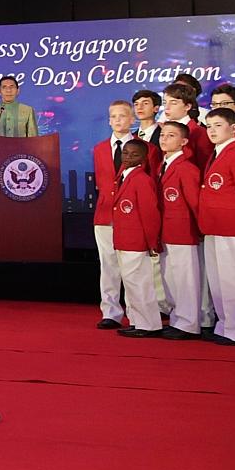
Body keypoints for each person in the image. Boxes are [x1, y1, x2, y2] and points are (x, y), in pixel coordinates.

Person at [91, 102, 141, 330]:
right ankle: (110, 312)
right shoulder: (100, 148)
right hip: (105, 214)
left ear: (132, 119)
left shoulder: (142, 147)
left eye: (123, 116)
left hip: (131, 214)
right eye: (114, 116)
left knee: (132, 266)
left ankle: (136, 312)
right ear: (109, 120)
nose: (118, 120)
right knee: (108, 265)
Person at [110, 139, 163, 338]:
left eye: (134, 155)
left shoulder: (142, 179)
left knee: (140, 284)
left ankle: (149, 324)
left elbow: (150, 213)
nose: (129, 158)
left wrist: (151, 242)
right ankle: (137, 320)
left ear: (144, 158)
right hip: (124, 239)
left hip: (136, 241)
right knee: (131, 283)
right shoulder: (123, 175)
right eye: (126, 153)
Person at [156, 122, 203, 340]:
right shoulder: (162, 165)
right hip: (166, 230)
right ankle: (177, 319)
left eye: (171, 135)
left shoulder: (187, 168)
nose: (164, 139)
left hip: (183, 231)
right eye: (163, 135)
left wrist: (200, 229)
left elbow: (195, 203)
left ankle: (189, 324)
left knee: (185, 278)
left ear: (184, 141)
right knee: (170, 278)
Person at [199, 107, 235, 346]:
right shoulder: (217, 152)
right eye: (209, 126)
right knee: (218, 279)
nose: (211, 131)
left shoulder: (234, 153)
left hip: (231, 227)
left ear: (233, 128)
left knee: (232, 279)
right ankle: (225, 325)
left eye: (218, 126)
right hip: (214, 226)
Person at [164, 82, 213, 168]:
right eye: (165, 102)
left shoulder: (199, 132)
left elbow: (205, 165)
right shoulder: (165, 130)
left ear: (187, 106)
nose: (167, 107)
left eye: (173, 103)